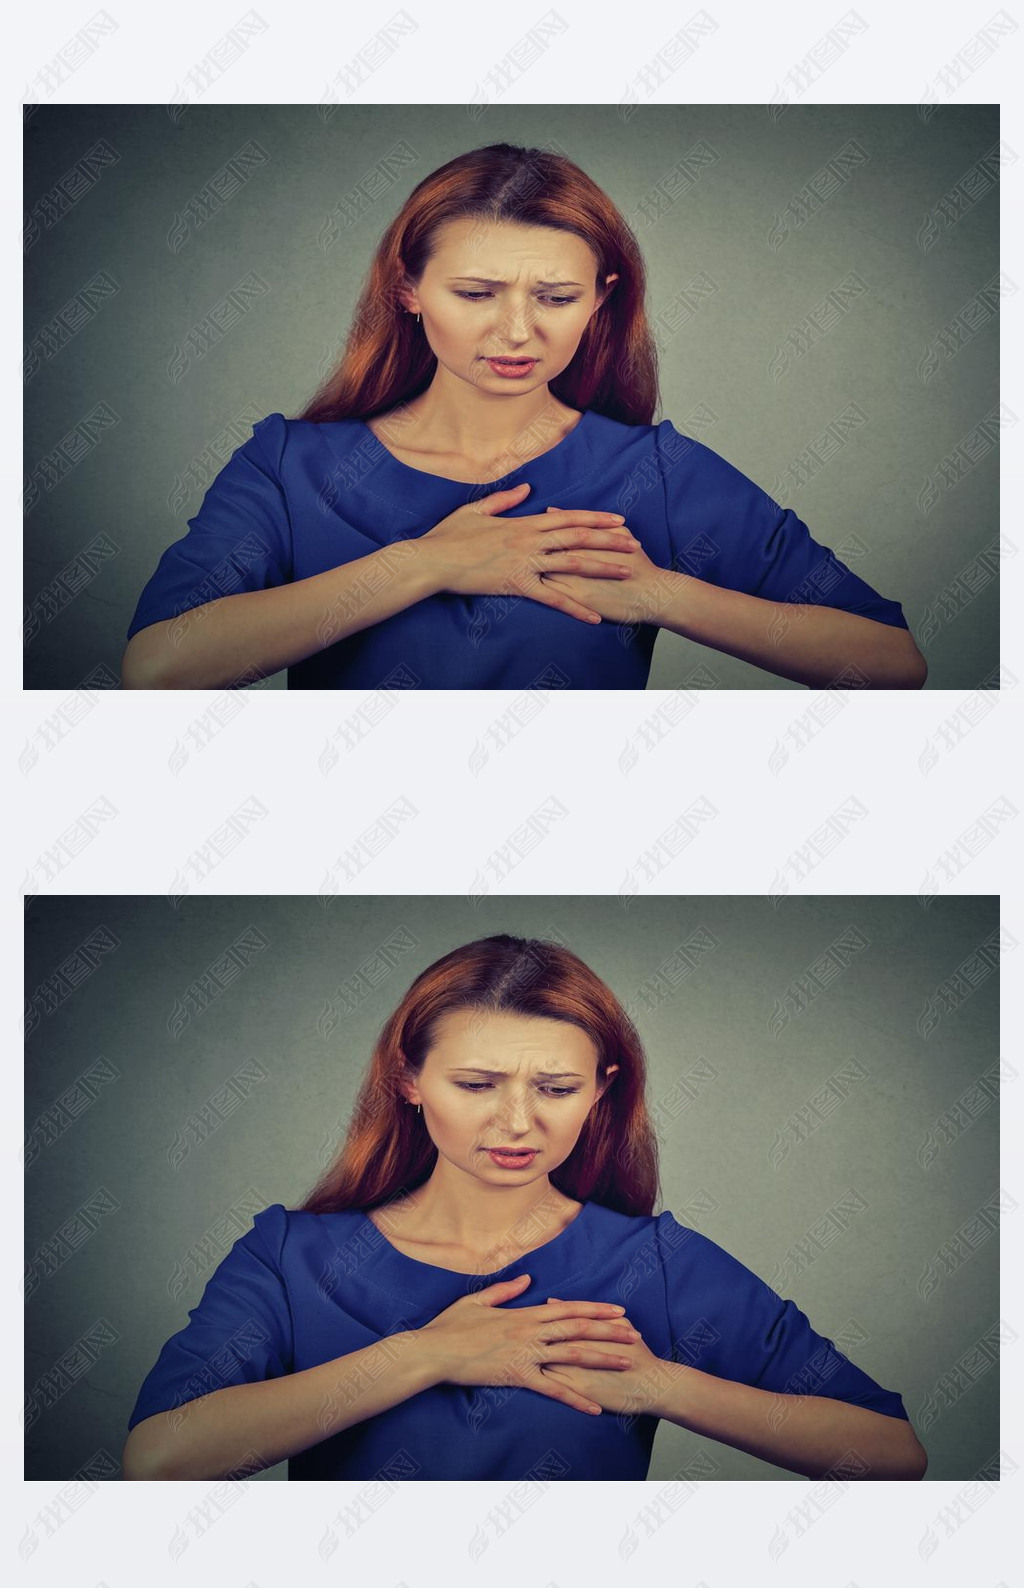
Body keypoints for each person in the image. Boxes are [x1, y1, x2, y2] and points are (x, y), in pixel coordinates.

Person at [121, 143, 927, 690]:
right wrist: (425, 564)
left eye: (556, 297)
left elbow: (893, 662)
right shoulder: (289, 466)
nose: (515, 332)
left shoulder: (657, 475)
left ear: (601, 302)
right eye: (475, 294)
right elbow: (157, 669)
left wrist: (663, 596)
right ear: (408, 289)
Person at [123, 934, 927, 1481]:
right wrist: (426, 1355)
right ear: (408, 1080)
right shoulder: (289, 1257)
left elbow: (893, 1453)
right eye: (476, 1085)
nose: (516, 1123)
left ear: (602, 1092)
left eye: (556, 1088)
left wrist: (661, 1387)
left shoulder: (656, 1265)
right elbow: (158, 1460)